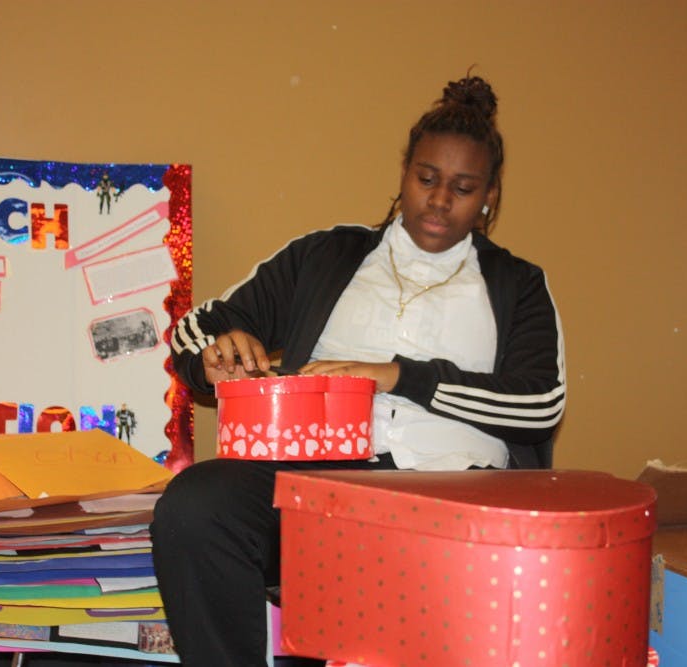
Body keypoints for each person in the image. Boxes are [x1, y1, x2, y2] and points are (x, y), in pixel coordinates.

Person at [150, 73, 566, 667]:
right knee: (196, 506)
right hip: (316, 487)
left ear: (490, 196)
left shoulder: (516, 285)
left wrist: (397, 376)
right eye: (426, 179)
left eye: (464, 188)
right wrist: (215, 354)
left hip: (454, 494)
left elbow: (539, 405)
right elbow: (193, 329)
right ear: (403, 172)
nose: (440, 200)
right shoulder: (328, 256)